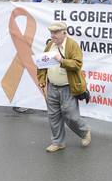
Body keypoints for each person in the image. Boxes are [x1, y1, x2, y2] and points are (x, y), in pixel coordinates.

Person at [37, 22, 91, 152]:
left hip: (68, 87)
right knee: (53, 115)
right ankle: (58, 142)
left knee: (71, 115)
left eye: (55, 32)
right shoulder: (50, 45)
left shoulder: (72, 45)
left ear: (64, 32)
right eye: (51, 32)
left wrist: (61, 60)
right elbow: (42, 63)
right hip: (52, 87)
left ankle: (84, 132)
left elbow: (77, 64)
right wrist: (42, 79)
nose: (53, 35)